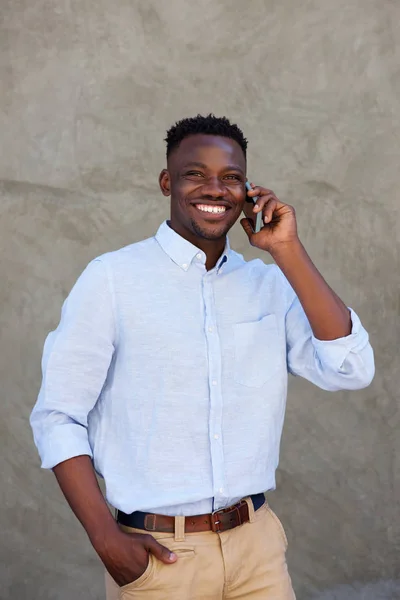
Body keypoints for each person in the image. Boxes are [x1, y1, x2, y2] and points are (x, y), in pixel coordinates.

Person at [30, 114, 375, 600]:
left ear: (249, 191)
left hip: (257, 550)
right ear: (167, 182)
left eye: (231, 177)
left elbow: (352, 368)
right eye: (196, 174)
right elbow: (57, 416)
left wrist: (287, 250)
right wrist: (105, 538)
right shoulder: (112, 279)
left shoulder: (270, 284)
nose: (215, 188)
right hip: (158, 559)